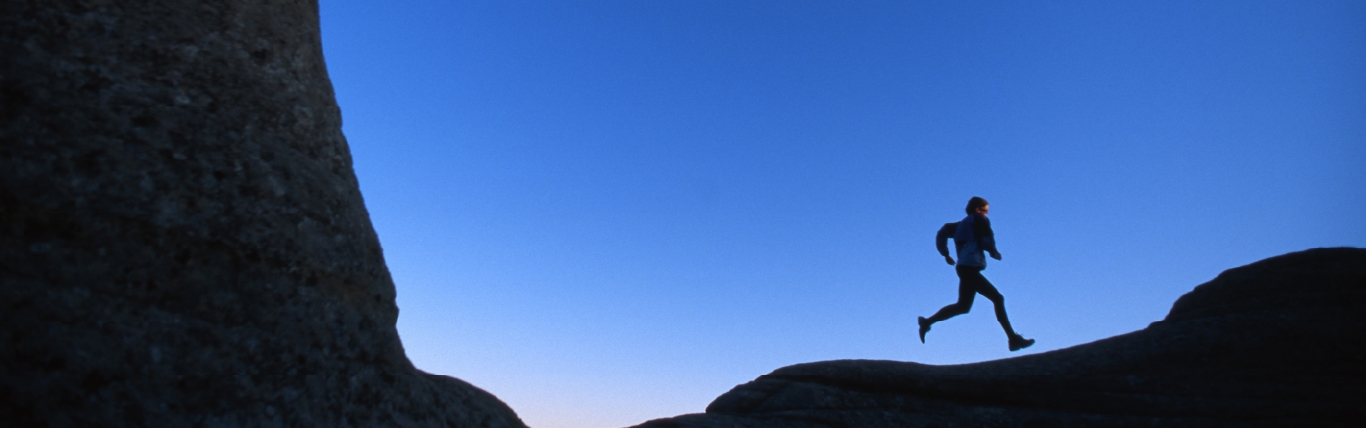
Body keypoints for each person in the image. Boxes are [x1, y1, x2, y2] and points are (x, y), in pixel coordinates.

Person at [919, 196, 1035, 351]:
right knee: (997, 298)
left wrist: (945, 254)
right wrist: (992, 250)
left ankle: (927, 322)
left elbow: (941, 232)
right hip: (969, 268)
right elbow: (986, 237)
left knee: (963, 306)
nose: (987, 213)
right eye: (986, 210)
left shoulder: (959, 225)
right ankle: (1013, 339)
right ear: (978, 209)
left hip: (964, 268)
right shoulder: (979, 219)